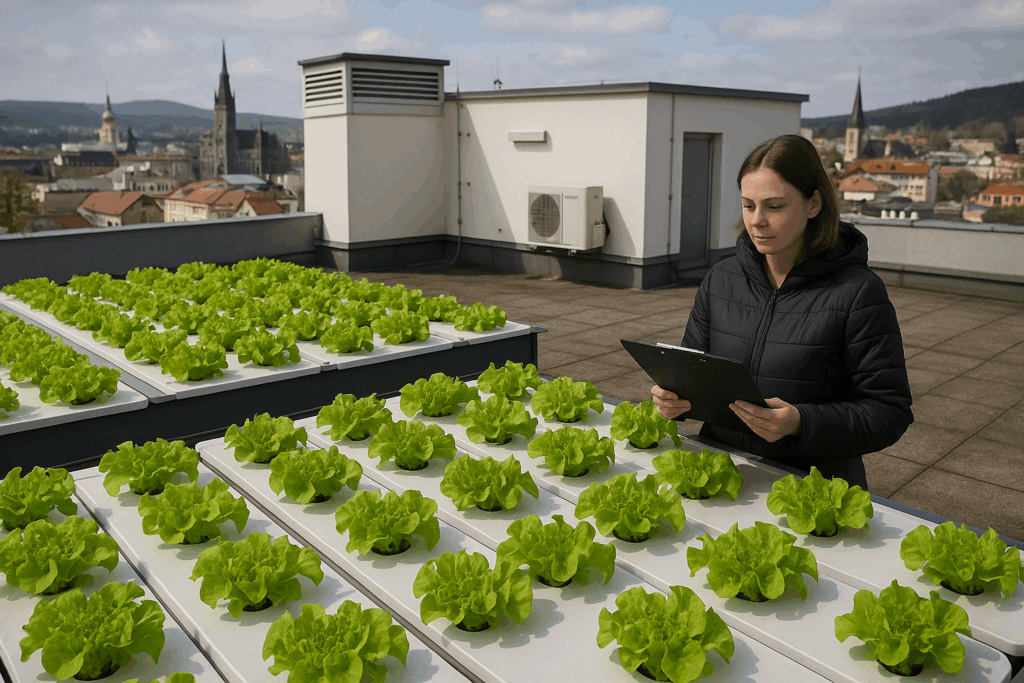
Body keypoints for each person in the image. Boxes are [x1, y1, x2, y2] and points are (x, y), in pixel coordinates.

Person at [651, 134, 913, 489]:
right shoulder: (721, 280)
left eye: (774, 207)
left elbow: (889, 412)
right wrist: (673, 399)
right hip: (721, 478)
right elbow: (693, 372)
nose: (756, 221)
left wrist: (802, 422)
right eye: (748, 205)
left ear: (814, 204)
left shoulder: (858, 293)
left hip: (811, 490)